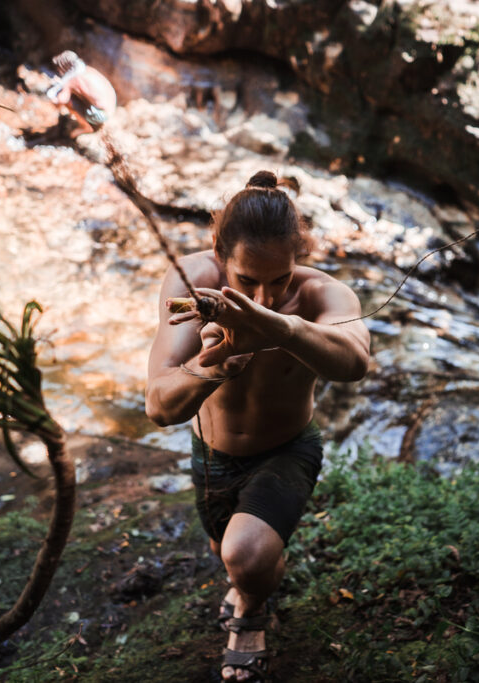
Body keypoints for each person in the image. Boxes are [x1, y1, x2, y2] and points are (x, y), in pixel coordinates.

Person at [145, 171, 371, 682]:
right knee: (230, 553)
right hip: (211, 456)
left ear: (298, 259)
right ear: (219, 254)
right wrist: (214, 366)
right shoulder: (190, 283)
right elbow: (158, 406)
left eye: (280, 279)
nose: (265, 296)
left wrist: (279, 328)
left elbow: (355, 362)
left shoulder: (320, 296)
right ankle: (255, 577)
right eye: (247, 281)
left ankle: (251, 613)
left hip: (287, 449)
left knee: (243, 556)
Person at [47, 50, 117, 139]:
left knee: (69, 101)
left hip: (101, 115)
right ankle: (86, 119)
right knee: (74, 94)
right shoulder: (87, 69)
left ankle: (86, 127)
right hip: (111, 107)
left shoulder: (73, 79)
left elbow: (61, 100)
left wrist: (53, 98)